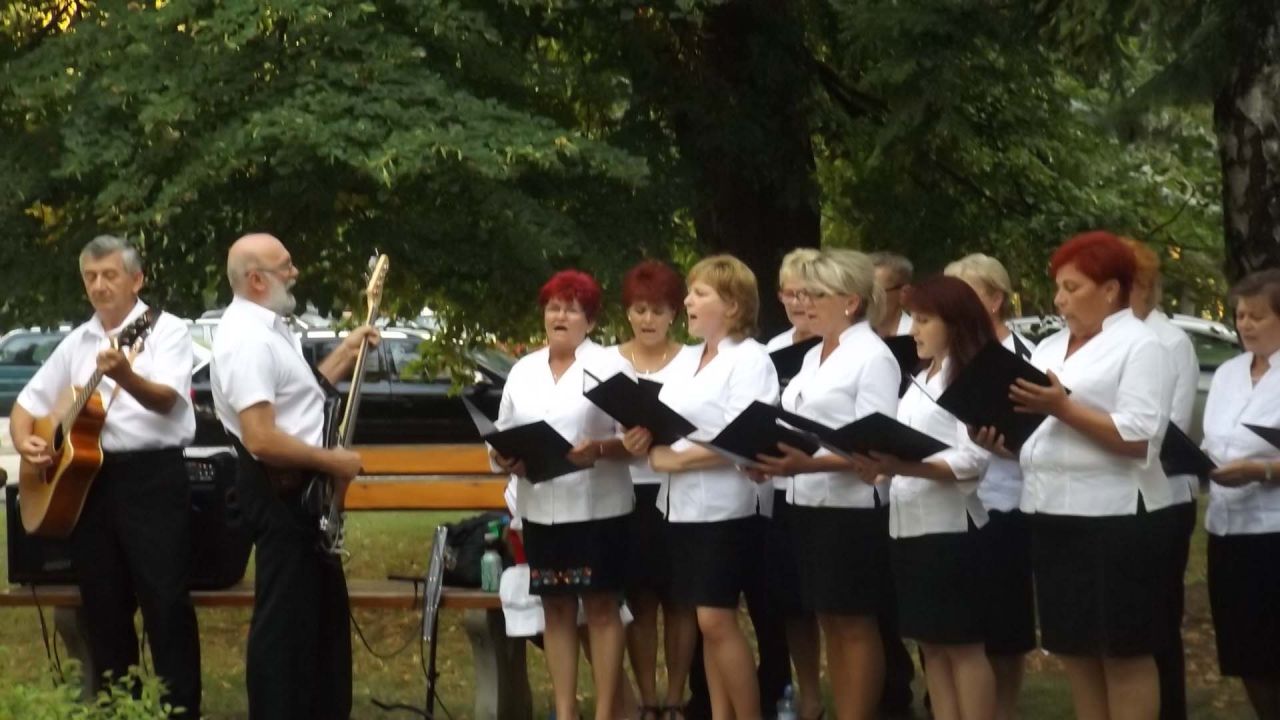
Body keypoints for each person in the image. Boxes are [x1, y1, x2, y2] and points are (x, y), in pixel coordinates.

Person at [10, 235, 202, 716]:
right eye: (91, 277)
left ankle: (180, 710)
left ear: (136, 280)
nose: (99, 286)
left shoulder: (168, 332)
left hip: (151, 479)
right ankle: (120, 709)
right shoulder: (79, 341)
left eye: (109, 275)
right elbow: (27, 405)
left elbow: (167, 401)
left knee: (165, 604)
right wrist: (25, 441)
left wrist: (125, 376)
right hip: (89, 486)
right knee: (104, 607)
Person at [989, 230, 1172, 720]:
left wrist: (1063, 408)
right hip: (1050, 512)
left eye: (1072, 288)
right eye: (1058, 288)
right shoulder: (1049, 348)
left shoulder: (1141, 345)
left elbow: (1140, 438)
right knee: (1076, 651)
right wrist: (998, 437)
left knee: (1123, 652)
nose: (1059, 300)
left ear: (1110, 290)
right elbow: (1035, 433)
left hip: (1115, 518)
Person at [211, 233, 376, 719]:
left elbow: (299, 399)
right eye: (285, 266)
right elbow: (261, 438)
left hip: (303, 496)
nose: (295, 272)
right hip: (280, 493)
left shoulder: (270, 328)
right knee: (286, 634)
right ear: (257, 280)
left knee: (319, 633)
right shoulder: (247, 340)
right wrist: (333, 462)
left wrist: (345, 353)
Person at [623, 254, 780, 720]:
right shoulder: (690, 359)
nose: (688, 302)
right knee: (706, 622)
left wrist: (678, 458)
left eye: (699, 294)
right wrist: (643, 437)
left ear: (732, 305)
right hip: (682, 507)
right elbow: (668, 420)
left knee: (716, 619)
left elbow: (745, 435)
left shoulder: (750, 359)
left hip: (727, 508)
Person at [754, 249, 900, 720]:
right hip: (807, 503)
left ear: (851, 302)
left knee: (854, 623)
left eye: (816, 295)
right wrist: (769, 457)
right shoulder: (815, 354)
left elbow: (876, 443)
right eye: (800, 294)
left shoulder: (872, 356)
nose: (805, 303)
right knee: (829, 620)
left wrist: (806, 465)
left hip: (851, 508)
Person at [490, 269, 635, 720]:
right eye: (554, 307)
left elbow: (636, 439)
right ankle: (565, 710)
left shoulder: (611, 367)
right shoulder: (523, 370)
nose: (560, 316)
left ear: (590, 321)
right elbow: (502, 433)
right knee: (555, 609)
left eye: (572, 309)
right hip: (540, 508)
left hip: (597, 509)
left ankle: (607, 712)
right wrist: (504, 457)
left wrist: (600, 449)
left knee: (601, 609)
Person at [850, 275, 996, 720]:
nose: (913, 330)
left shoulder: (969, 377)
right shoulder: (919, 377)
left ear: (955, 323)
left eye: (924, 320)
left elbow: (971, 460)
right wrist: (880, 463)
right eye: (912, 319)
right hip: (908, 527)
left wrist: (902, 466)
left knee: (963, 647)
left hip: (951, 529)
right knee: (931, 646)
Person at [944, 253, 1037, 720]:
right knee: (955, 625)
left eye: (966, 295)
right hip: (949, 504)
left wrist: (1009, 445)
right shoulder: (942, 354)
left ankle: (1003, 710)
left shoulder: (1025, 357)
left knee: (1004, 627)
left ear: (995, 299)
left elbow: (1042, 435)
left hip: (1005, 501)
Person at [613, 260, 700, 719]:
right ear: (627, 312)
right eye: (640, 309)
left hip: (680, 489)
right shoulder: (607, 362)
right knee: (641, 600)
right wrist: (621, 442)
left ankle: (676, 697)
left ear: (674, 314)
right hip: (628, 493)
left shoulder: (694, 361)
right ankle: (647, 699)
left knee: (681, 600)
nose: (648, 319)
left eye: (658, 310)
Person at [1124, 238, 1200, 720]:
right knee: (1124, 627)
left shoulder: (1170, 342)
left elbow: (1167, 430)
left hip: (1163, 499)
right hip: (1115, 499)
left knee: (1156, 624)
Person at [1200, 269, 1280, 720]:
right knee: (1246, 652)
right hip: (1228, 532)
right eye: (1240, 315)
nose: (1245, 324)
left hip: (1274, 531)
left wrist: (1260, 470)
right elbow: (1215, 440)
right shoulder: (1229, 373)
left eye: (1257, 316)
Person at [871, 252, 914, 338]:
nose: (865, 298)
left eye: (875, 292)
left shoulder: (917, 336)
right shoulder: (851, 335)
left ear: (904, 293)